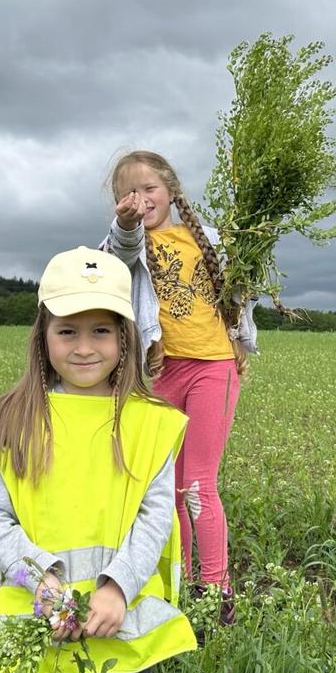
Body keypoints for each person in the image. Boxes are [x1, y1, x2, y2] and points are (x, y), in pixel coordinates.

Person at [0, 247, 196, 673]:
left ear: (125, 338)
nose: (84, 347)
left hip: (121, 626)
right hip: (34, 623)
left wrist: (116, 587)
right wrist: (42, 584)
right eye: (67, 330)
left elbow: (155, 517)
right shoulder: (6, 420)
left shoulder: (151, 423)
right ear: (42, 335)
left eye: (101, 330)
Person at [101, 150, 257, 623]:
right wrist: (126, 224)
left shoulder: (209, 239)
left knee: (198, 483)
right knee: (165, 486)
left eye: (149, 188)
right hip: (162, 371)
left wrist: (241, 339)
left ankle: (216, 590)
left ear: (171, 190)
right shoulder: (128, 242)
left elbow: (239, 291)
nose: (141, 198)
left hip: (214, 367)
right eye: (128, 193)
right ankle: (180, 580)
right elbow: (116, 255)